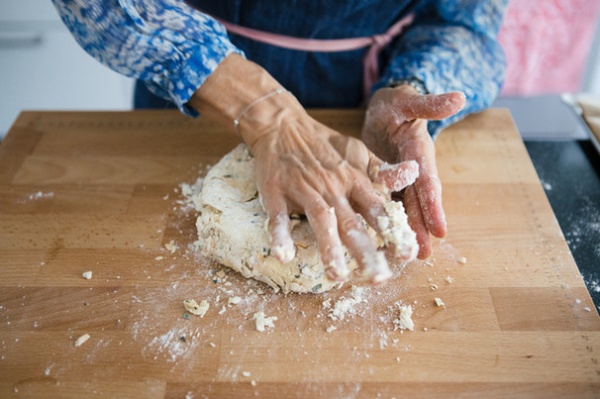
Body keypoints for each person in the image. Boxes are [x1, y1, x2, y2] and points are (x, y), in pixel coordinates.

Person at [52, 0, 507, 285]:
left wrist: (411, 88)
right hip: (198, 95)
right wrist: (268, 115)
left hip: (353, 98)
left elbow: (466, 21)